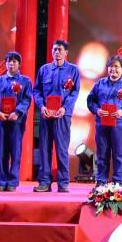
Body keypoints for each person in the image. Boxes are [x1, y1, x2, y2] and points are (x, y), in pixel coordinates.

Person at [86, 55, 122, 184]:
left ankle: (118, 184)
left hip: (120, 125)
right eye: (111, 66)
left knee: (119, 155)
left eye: (116, 67)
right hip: (102, 124)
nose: (113, 69)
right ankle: (101, 182)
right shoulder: (100, 83)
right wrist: (97, 110)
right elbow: (90, 100)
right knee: (102, 155)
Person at [33, 39, 81, 193]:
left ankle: (63, 183)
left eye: (60, 50)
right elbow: (36, 91)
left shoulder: (73, 70)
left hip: (62, 116)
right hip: (46, 115)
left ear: (66, 53)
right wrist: (41, 106)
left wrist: (65, 108)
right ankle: (44, 182)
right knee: (44, 149)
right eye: (54, 49)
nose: (57, 52)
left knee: (61, 149)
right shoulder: (44, 70)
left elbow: (75, 92)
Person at [0, 51, 33, 192]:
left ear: (19, 64)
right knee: (2, 151)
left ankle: (13, 182)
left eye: (14, 61)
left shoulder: (25, 81)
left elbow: (27, 99)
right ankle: (2, 181)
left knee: (15, 151)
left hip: (16, 121)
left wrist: (17, 112)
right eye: (9, 61)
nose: (11, 64)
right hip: (0, 120)